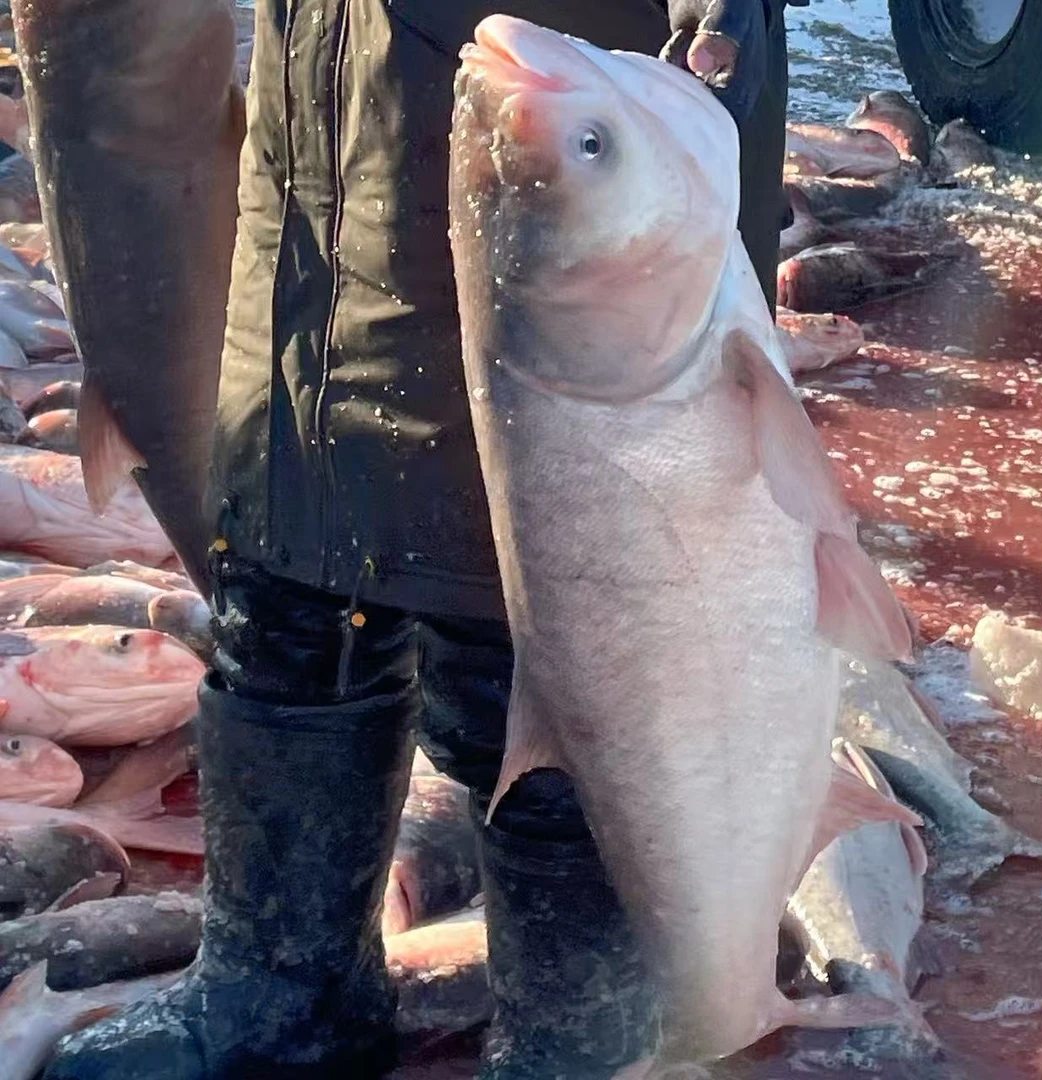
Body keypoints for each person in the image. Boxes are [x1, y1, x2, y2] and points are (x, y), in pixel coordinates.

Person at [45, 3, 791, 1078]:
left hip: (546, 178)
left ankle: (585, 1039)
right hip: (315, 162)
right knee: (285, 590)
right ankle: (283, 985)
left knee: (539, 650)